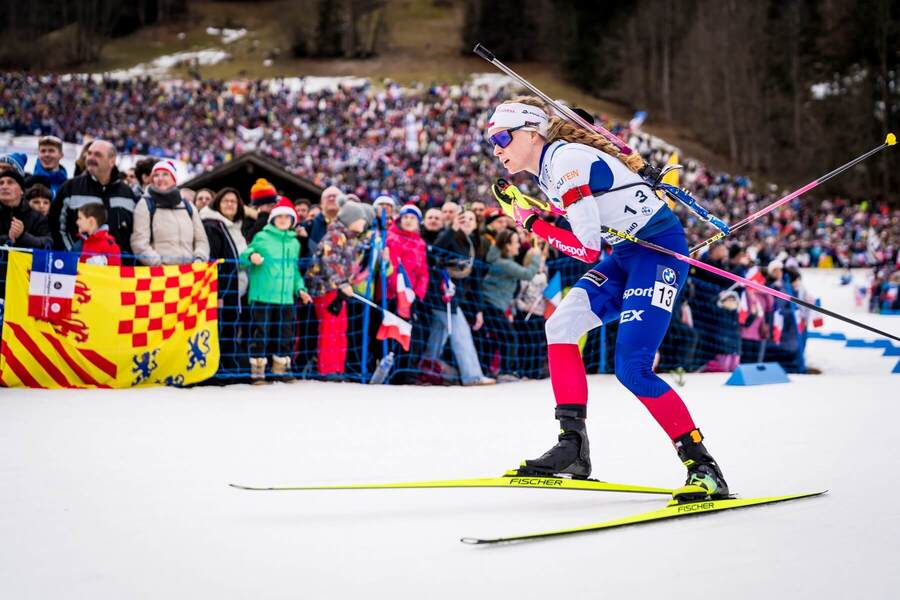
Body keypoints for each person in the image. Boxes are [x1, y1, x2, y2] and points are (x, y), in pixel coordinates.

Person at [485, 96, 728, 502]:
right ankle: (572, 447)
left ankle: (703, 467)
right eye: (493, 141)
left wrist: (529, 222)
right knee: (560, 326)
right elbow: (591, 226)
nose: (497, 149)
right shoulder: (550, 168)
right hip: (627, 255)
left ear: (532, 133)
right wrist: (537, 212)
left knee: (632, 368)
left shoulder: (565, 162)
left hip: (658, 252)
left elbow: (585, 249)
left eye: (503, 137)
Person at [240, 198, 312, 383]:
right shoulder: (262, 237)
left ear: (292, 221)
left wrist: (301, 289)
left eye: (286, 217)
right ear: (272, 219)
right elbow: (243, 257)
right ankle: (258, 372)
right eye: (279, 216)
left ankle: (281, 370)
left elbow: (294, 270)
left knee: (285, 334)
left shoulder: (294, 243)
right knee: (261, 333)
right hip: (262, 295)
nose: (282, 219)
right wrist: (252, 256)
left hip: (286, 298)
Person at [422, 210, 495, 386]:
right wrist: (452, 230)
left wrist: (478, 309)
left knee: (437, 335)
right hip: (442, 295)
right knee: (461, 335)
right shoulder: (450, 236)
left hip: (454, 298)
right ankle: (472, 376)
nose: (467, 221)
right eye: (463, 218)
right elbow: (434, 254)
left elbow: (474, 282)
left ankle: (425, 367)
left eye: (471, 219)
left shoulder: (472, 244)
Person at [306, 201, 371, 377]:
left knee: (339, 327)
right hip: (327, 289)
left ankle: (337, 366)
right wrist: (342, 283)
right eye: (361, 220)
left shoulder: (349, 237)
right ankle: (327, 368)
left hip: (338, 289)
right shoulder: (335, 235)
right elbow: (330, 261)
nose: (364, 223)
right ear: (351, 219)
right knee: (331, 328)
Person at [51, 139, 137, 255]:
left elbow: (133, 232)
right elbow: (56, 227)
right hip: (78, 268)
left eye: (97, 155)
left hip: (116, 269)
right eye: (89, 153)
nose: (91, 158)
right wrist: (72, 255)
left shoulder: (127, 193)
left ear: (112, 161)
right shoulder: (70, 188)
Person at [480, 229, 545, 379]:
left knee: (501, 337)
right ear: (507, 245)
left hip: (497, 306)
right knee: (509, 337)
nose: (518, 245)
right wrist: (536, 257)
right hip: (491, 305)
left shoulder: (505, 261)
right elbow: (527, 274)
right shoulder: (503, 264)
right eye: (516, 242)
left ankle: (498, 370)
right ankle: (506, 371)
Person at [201, 187, 249, 377]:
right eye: (226, 201)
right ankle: (218, 369)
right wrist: (218, 292)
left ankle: (228, 367)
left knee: (229, 330)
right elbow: (213, 261)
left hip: (235, 291)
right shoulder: (213, 226)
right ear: (217, 203)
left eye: (234, 202)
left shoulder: (234, 227)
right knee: (220, 331)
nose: (230, 204)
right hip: (222, 291)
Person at [131, 160, 209, 265]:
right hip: (160, 275)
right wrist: (158, 264)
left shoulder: (188, 206)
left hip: (189, 274)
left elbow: (201, 240)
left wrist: (199, 259)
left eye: (165, 174)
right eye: (156, 175)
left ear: (174, 179)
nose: (160, 178)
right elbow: (139, 243)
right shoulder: (145, 204)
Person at [0, 168, 51, 291]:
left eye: (10, 182)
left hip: (26, 284)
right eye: (1, 183)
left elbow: (47, 243)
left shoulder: (37, 217)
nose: (4, 186)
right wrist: (8, 238)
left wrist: (23, 236)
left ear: (22, 191)